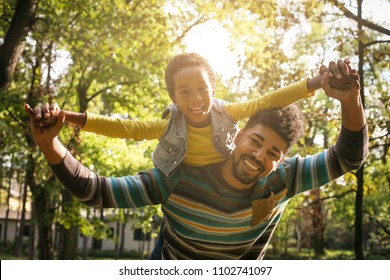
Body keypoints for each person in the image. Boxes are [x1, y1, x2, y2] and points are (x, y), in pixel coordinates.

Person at [26, 60, 368, 259]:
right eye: (255, 142)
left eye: (273, 153)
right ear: (237, 136)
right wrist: (50, 144)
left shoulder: (285, 179)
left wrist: (349, 100)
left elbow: (348, 158)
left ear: (283, 160)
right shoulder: (175, 177)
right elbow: (98, 191)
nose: (259, 157)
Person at [32, 53, 357, 178]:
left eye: (202, 88)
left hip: (222, 179)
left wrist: (319, 82)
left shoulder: (228, 112)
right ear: (174, 98)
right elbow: (124, 128)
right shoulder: (169, 125)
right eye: (184, 92)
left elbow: (272, 98)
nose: (196, 99)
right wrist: (67, 116)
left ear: (213, 88)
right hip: (179, 181)